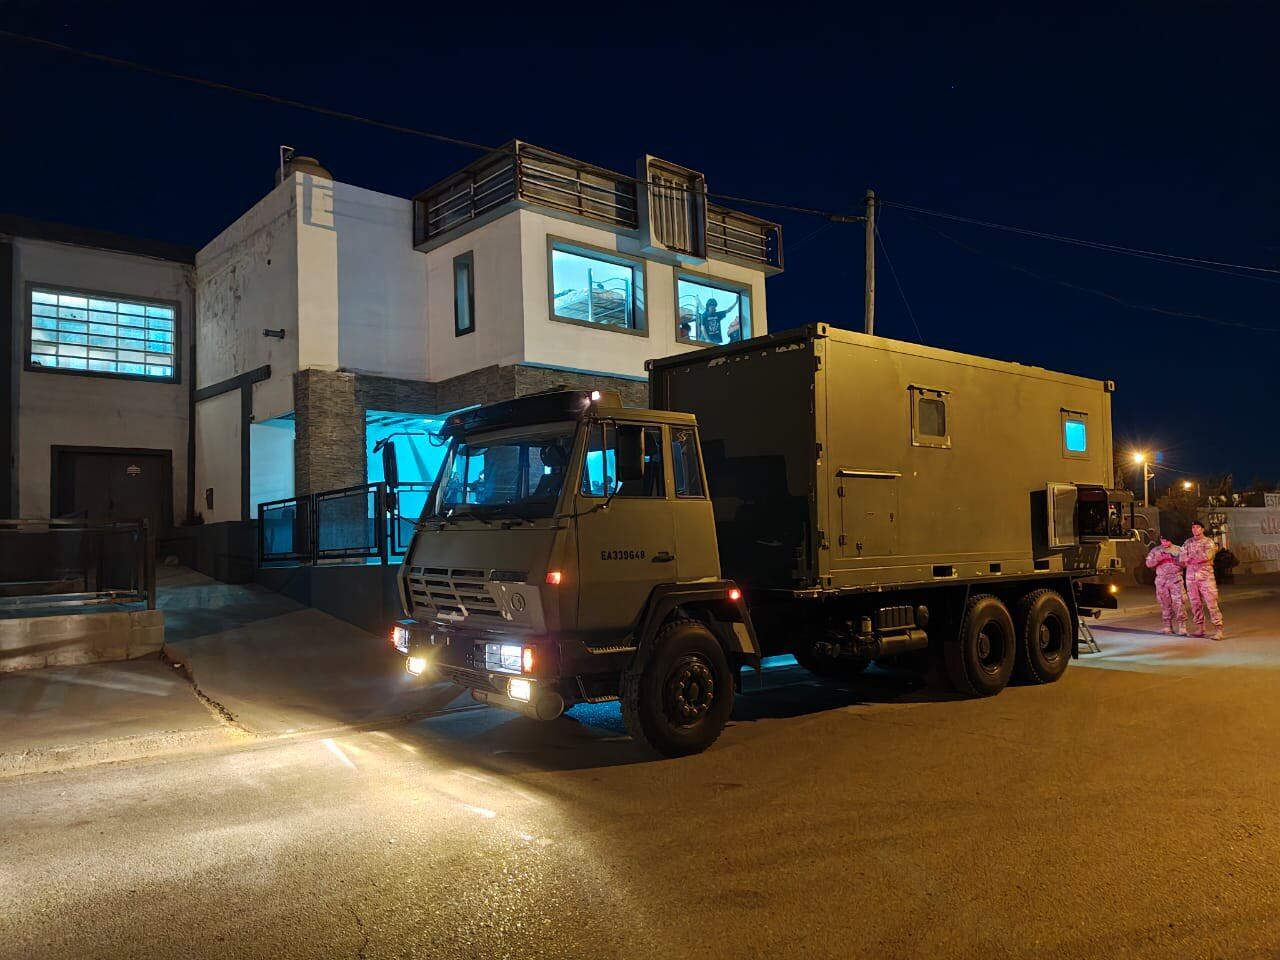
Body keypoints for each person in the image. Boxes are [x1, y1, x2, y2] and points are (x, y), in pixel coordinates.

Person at [1180, 520, 1225, 640]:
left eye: (1197, 527)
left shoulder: (1208, 542)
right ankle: (1200, 628)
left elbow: (1207, 556)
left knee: (1212, 603)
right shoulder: (1188, 542)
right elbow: (1182, 558)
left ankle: (1218, 629)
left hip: (1206, 577)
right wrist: (1193, 558)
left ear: (1203, 529)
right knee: (1195, 604)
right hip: (1191, 578)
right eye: (1193, 527)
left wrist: (1190, 558)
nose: (1195, 529)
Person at [1144, 536, 1186, 635]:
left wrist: (1174, 559)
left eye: (1167, 541)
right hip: (1162, 581)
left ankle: (1182, 626)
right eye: (1162, 540)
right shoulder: (1156, 550)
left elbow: (1186, 563)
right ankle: (1167, 626)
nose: (1164, 543)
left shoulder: (1178, 549)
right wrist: (1157, 559)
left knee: (1178, 603)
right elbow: (1148, 564)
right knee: (1164, 604)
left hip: (1175, 580)